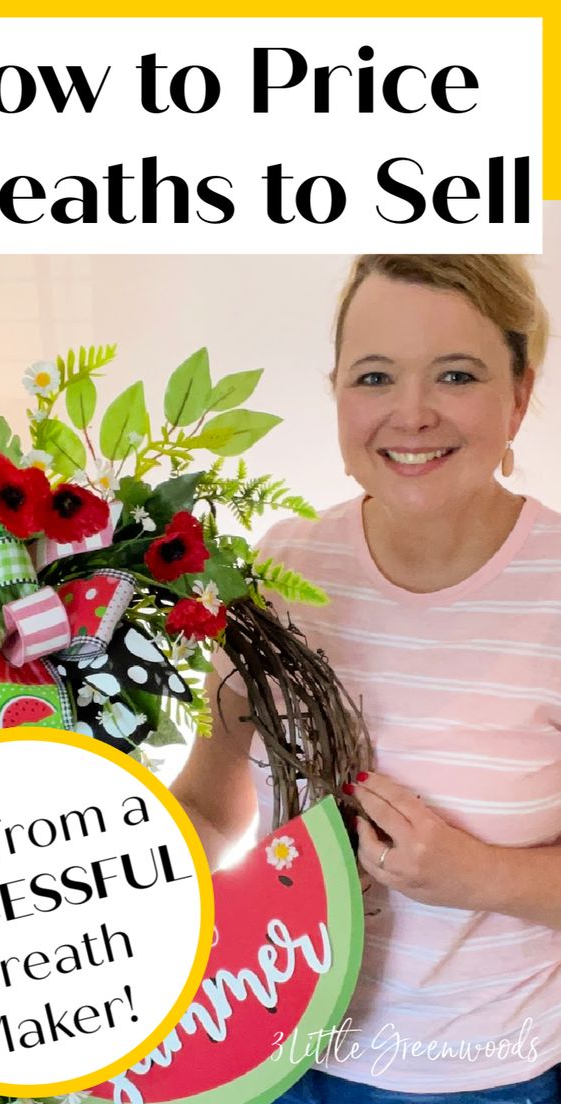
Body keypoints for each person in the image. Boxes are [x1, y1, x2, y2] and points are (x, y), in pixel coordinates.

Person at [171, 255, 561, 1103]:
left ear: (519, 396)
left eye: (457, 375)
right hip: (270, 1050)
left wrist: (475, 876)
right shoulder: (280, 565)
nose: (410, 414)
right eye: (374, 376)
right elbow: (210, 800)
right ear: (340, 395)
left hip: (484, 1077)